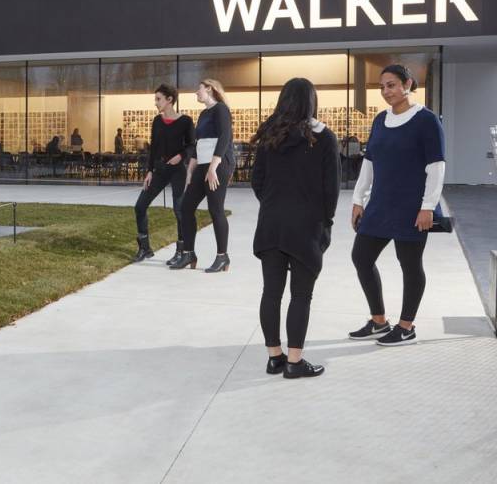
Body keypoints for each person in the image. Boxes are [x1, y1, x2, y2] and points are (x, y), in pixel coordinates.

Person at [348, 64, 445, 347]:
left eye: (391, 85)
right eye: (382, 87)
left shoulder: (426, 120)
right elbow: (370, 162)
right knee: (361, 258)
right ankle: (379, 321)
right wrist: (358, 199)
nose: (386, 91)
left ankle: (406, 327)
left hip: (412, 208)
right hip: (380, 205)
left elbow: (436, 165)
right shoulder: (380, 120)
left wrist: (428, 206)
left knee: (410, 265)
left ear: (408, 84)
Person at [251, 78, 340, 379]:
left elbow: (257, 182)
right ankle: (295, 362)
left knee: (271, 293)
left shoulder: (268, 135)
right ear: (312, 101)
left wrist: (274, 204)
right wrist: (325, 223)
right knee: (301, 295)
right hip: (306, 227)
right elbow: (332, 190)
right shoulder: (324, 138)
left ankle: (274, 357)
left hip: (272, 224)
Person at [173, 78, 235, 272]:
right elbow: (198, 143)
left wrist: (213, 166)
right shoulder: (203, 114)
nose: (196, 93)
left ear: (209, 88)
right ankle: (189, 254)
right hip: (202, 164)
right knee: (185, 207)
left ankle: (222, 256)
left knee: (215, 209)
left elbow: (225, 137)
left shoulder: (221, 110)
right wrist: (191, 170)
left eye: (199, 89)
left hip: (218, 164)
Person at [133, 84, 195, 262]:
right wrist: (150, 171)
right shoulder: (157, 121)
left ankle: (182, 251)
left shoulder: (185, 121)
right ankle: (145, 248)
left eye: (158, 99)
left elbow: (191, 145)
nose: (156, 103)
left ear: (170, 100)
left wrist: (181, 156)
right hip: (159, 171)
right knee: (140, 206)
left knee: (179, 210)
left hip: (178, 171)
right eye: (156, 99)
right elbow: (153, 148)